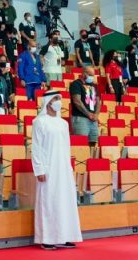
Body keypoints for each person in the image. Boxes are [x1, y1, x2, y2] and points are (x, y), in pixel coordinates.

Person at [31, 91, 82, 250]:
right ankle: (47, 238)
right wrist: (39, 169)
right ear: (47, 102)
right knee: (49, 201)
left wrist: (68, 167)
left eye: (59, 98)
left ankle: (64, 236)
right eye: (55, 98)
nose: (58, 101)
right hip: (48, 168)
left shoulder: (63, 123)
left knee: (64, 201)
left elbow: (67, 147)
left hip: (63, 168)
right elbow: (36, 147)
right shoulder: (39, 122)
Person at [69, 65, 100, 148]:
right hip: (81, 118)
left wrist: (96, 114)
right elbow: (77, 101)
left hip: (93, 119)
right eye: (90, 75)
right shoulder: (76, 84)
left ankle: (91, 160)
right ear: (84, 74)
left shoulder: (94, 86)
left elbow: (98, 101)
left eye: (93, 75)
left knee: (93, 142)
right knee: (80, 144)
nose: (92, 77)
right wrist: (88, 114)